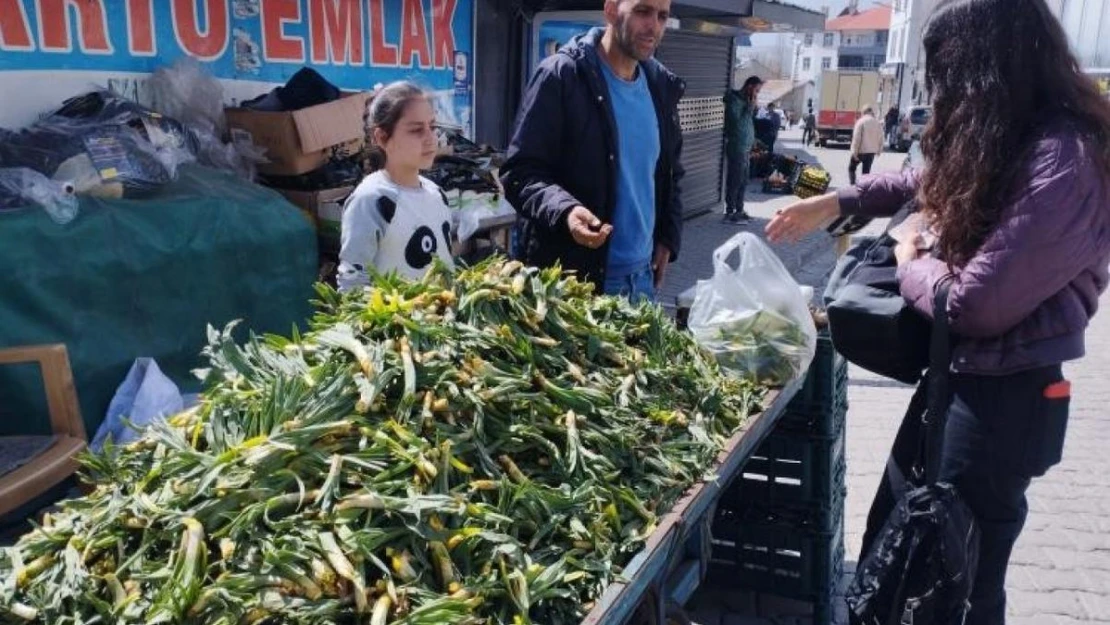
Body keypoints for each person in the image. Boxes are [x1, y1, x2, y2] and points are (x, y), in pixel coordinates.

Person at [766, 0, 1110, 622]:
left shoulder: (1066, 158)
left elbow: (978, 303)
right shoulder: (1017, 138)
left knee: (962, 578)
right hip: (963, 382)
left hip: (1005, 402)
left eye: (951, 76)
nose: (945, 95)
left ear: (988, 70)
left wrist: (910, 257)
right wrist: (835, 201)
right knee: (912, 548)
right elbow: (924, 182)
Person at [501, 0, 684, 304]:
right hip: (574, 285)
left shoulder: (661, 86)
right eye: (642, 11)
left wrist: (668, 236)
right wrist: (565, 211)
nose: (653, 26)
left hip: (642, 279)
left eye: (662, 16)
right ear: (611, 10)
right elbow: (520, 172)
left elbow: (671, 173)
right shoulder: (562, 76)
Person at [336, 82, 454, 291]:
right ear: (382, 137)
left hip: (438, 322)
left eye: (432, 127)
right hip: (396, 321)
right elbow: (352, 282)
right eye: (417, 130)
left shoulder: (437, 195)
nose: (430, 139)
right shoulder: (371, 199)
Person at [724, 76, 762, 224]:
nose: (757, 94)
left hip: (746, 147)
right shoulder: (734, 101)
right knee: (735, 180)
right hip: (737, 146)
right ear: (749, 87)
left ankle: (739, 210)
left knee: (744, 180)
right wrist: (750, 107)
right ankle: (730, 212)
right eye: (756, 90)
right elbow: (736, 123)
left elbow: (747, 124)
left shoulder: (746, 102)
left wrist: (754, 141)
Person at [848, 106, 883, 184]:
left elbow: (857, 138)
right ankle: (863, 189)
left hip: (861, 151)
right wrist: (879, 150)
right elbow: (881, 137)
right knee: (866, 173)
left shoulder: (861, 122)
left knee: (851, 168)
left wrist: (854, 152)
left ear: (863, 112)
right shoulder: (877, 122)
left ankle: (853, 186)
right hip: (871, 152)